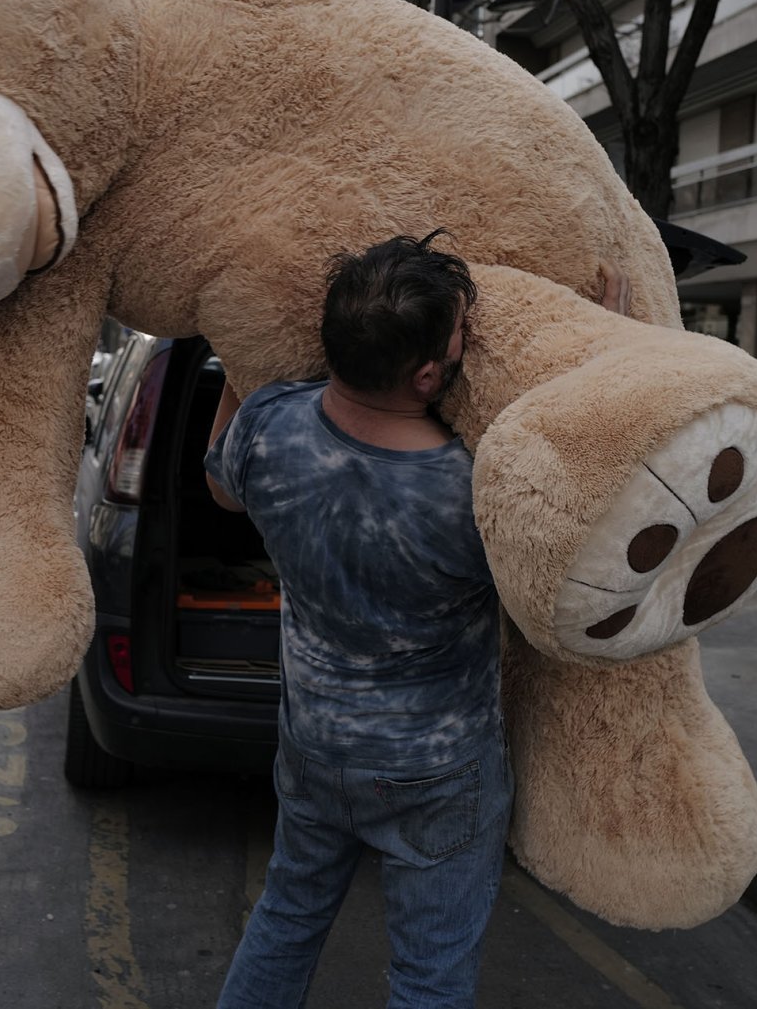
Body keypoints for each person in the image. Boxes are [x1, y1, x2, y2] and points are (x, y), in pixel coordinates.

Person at [204, 230, 507, 1009]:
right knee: (428, 974)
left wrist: (242, 340)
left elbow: (220, 487)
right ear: (431, 372)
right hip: (438, 769)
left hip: (316, 745)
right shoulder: (474, 491)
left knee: (285, 919)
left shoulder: (271, 427)